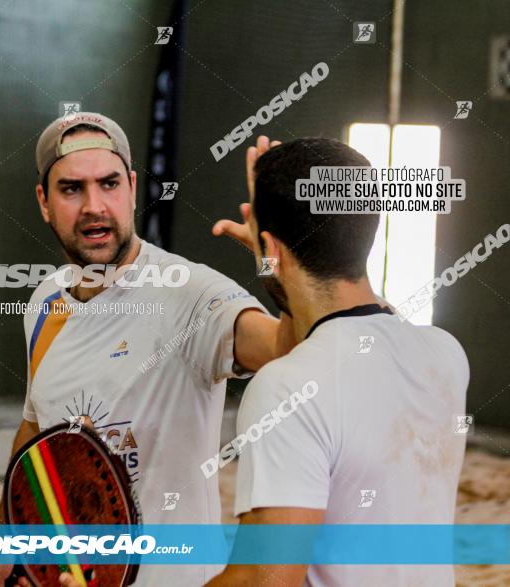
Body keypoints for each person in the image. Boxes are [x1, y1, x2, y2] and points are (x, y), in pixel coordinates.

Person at [0, 113, 295, 587]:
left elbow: (287, 350)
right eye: (71, 189)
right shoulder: (45, 302)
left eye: (109, 184)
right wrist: (7, 542)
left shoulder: (189, 293)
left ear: (131, 187)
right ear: (44, 202)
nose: (95, 206)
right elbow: (34, 428)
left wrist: (283, 266)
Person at [197, 137, 468, 586]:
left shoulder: (285, 389)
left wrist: (274, 264)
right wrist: (277, 258)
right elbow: (352, 333)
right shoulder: (445, 355)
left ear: (272, 248)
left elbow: (262, 581)